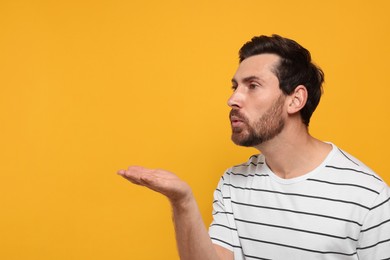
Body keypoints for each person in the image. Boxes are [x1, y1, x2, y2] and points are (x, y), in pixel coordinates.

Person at [117, 34, 390, 259]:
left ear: (295, 100)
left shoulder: (368, 197)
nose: (233, 99)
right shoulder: (233, 183)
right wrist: (183, 202)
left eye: (253, 86)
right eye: (235, 86)